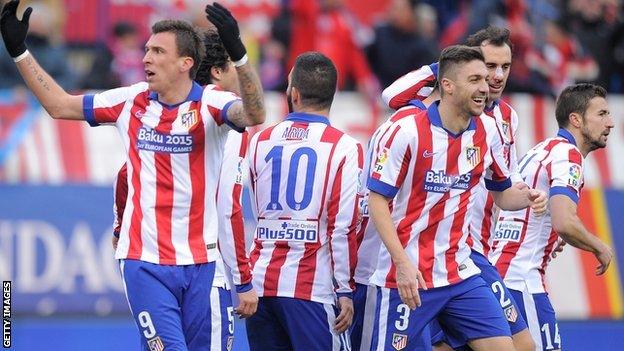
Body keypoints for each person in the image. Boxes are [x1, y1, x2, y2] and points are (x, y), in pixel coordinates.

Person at [0, 1, 265, 349]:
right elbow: (59, 105)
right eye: (146, 50)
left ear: (186, 63)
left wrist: (241, 58)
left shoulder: (211, 104)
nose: (146, 59)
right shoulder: (131, 100)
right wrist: (20, 52)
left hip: (202, 264)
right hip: (145, 262)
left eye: (157, 51)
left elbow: (254, 113)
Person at [367, 45, 547, 351]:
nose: (485, 86)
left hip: (460, 272)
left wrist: (529, 197)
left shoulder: (489, 131)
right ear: (447, 86)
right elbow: (377, 201)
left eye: (485, 78)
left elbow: (503, 194)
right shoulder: (406, 129)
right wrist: (402, 263)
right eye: (475, 79)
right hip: (408, 277)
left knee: (512, 347)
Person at [110, 30, 251, 349]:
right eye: (232, 66)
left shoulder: (165, 109)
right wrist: (242, 278)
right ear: (217, 71)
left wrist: (121, 225)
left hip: (154, 268)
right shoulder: (225, 120)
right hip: (206, 273)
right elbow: (229, 208)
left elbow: (126, 174)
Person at [245, 51, 362, 351]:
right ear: (332, 94)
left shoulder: (259, 140)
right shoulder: (345, 147)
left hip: (260, 285)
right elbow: (342, 227)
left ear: (293, 93)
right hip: (312, 289)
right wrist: (345, 289)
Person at [491, 83, 615, 351]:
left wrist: (548, 234)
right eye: (602, 114)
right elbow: (564, 221)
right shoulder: (569, 155)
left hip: (500, 273)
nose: (611, 123)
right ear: (576, 119)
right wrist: (600, 247)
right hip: (521, 279)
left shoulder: (542, 149)